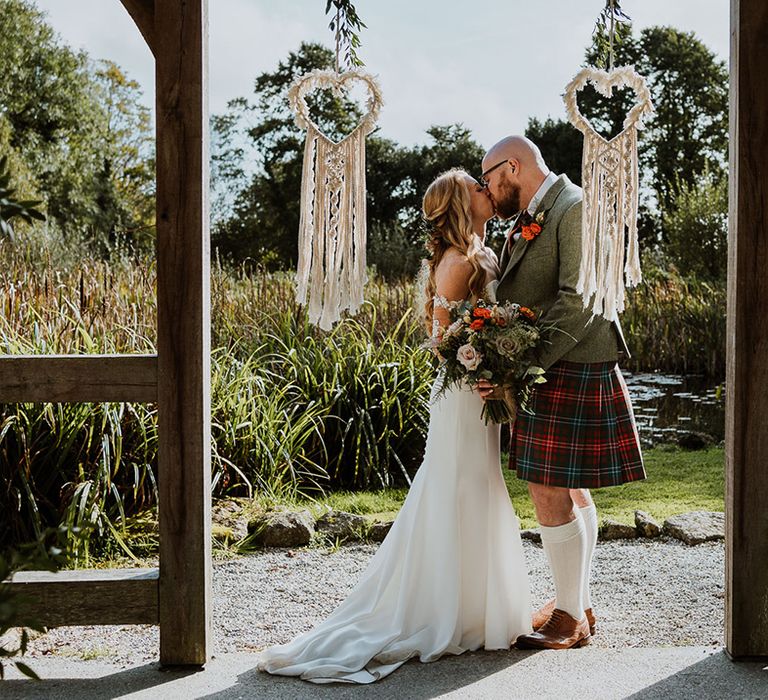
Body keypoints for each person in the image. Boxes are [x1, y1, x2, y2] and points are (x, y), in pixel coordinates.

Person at [257, 168, 532, 683]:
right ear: (459, 201)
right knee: (456, 489)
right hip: (463, 397)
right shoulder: (457, 261)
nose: (485, 190)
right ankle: (443, 611)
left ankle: (480, 609)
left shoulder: (485, 253)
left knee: (481, 488)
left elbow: (486, 319)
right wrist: (482, 364)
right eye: (476, 186)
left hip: (483, 396)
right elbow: (440, 340)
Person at [477, 135, 645, 650]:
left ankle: (569, 617)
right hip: (559, 366)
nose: (488, 189)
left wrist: (520, 364)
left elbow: (580, 300)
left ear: (513, 166)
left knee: (548, 489)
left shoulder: (572, 207)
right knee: (568, 488)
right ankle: (579, 603)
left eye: (489, 179)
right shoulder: (544, 209)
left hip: (567, 364)